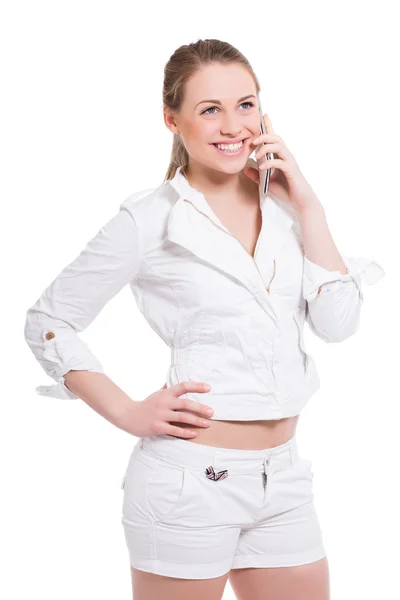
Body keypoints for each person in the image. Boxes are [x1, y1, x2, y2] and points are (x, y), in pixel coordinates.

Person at [24, 38, 385, 600]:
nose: (234, 125)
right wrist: (126, 411)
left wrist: (310, 206)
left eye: (245, 104)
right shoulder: (150, 219)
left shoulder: (288, 208)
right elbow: (49, 319)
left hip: (284, 478)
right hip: (188, 484)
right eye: (209, 109)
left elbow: (338, 324)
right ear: (172, 120)